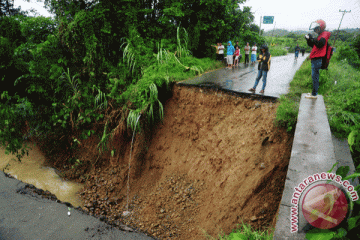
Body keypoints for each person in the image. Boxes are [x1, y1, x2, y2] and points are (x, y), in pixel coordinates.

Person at [305, 19, 331, 99]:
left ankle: (314, 94)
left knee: (315, 77)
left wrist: (312, 38)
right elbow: (314, 45)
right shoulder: (321, 35)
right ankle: (314, 93)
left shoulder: (324, 35)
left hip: (317, 59)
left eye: (316, 28)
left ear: (321, 27)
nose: (315, 30)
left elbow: (320, 44)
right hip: (315, 59)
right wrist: (309, 40)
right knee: (314, 76)